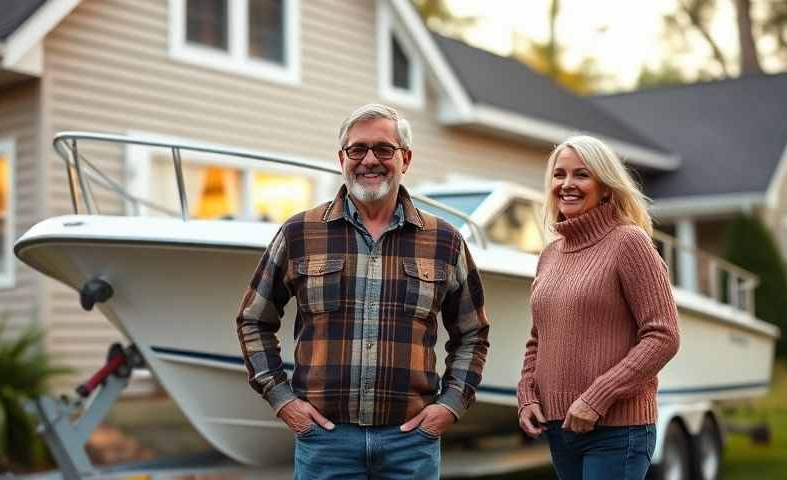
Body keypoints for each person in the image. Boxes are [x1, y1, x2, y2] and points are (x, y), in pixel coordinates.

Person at [236, 103, 490, 479]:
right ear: (342, 158)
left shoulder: (445, 241)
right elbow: (253, 320)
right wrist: (283, 400)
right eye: (358, 149)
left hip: (411, 445)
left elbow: (473, 333)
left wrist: (449, 406)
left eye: (383, 149)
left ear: (405, 158)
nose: (369, 160)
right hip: (325, 443)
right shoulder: (299, 233)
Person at [517, 135, 680, 480]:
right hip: (560, 428)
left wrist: (596, 399)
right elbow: (538, 339)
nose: (567, 184)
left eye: (581, 175)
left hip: (616, 431)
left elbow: (663, 336)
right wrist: (527, 395)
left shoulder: (628, 241)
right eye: (559, 175)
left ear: (606, 187)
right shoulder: (550, 255)